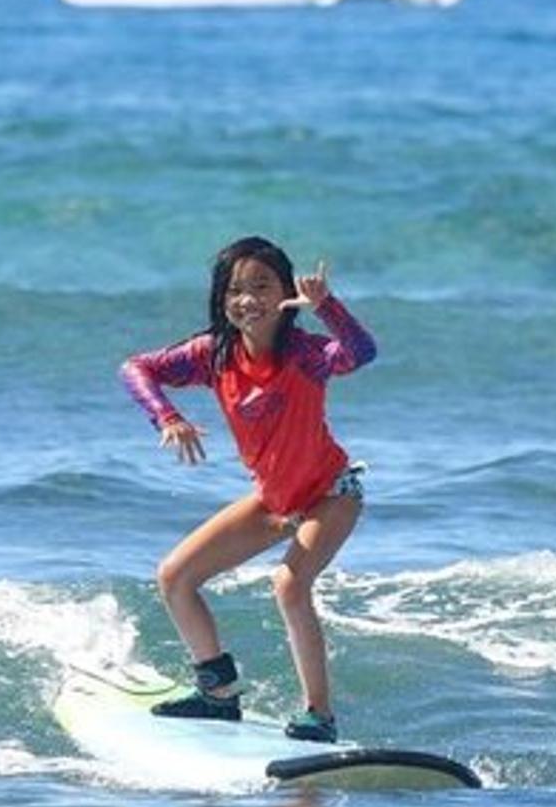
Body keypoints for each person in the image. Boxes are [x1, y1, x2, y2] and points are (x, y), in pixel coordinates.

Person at [119, 236, 378, 743]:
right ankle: (218, 694)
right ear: (221, 299)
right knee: (175, 576)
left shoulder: (306, 355)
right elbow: (136, 368)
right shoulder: (213, 355)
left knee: (289, 584)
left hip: (331, 492)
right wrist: (166, 416)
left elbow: (361, 353)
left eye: (262, 286)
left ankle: (319, 716)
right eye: (235, 289)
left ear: (286, 294)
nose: (247, 299)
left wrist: (328, 307)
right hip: (275, 501)